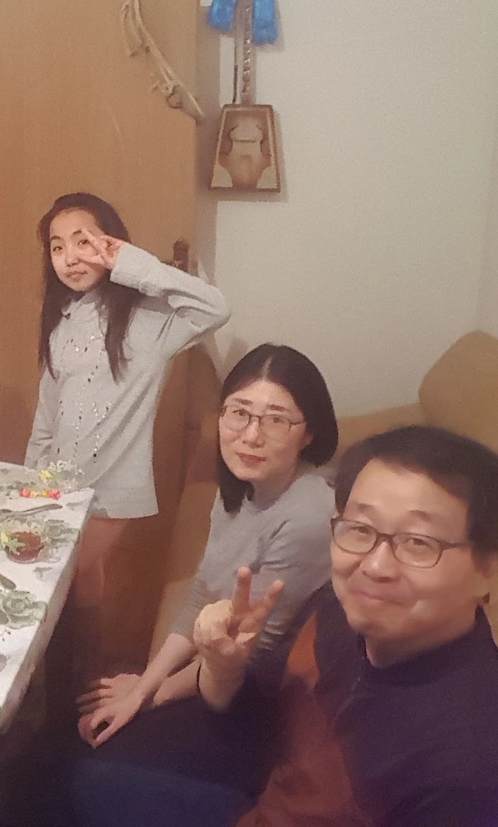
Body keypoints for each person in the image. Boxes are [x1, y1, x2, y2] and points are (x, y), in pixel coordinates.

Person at [197, 425, 498, 826]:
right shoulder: (337, 610)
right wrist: (222, 666)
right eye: (359, 529)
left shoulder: (467, 769)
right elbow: (261, 721)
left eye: (418, 542)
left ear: (487, 570)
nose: (374, 566)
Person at [76, 344, 338, 747]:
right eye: (239, 412)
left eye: (276, 420)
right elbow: (202, 594)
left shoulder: (306, 518)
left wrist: (149, 698)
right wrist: (145, 685)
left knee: (85, 752)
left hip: (256, 698)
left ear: (309, 433)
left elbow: (250, 651)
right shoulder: (243, 485)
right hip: (219, 666)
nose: (251, 435)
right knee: (74, 733)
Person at [26, 192, 230, 688]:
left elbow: (216, 307)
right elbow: (47, 414)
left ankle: (62, 686)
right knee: (81, 578)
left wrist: (130, 264)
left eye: (83, 241)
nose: (70, 258)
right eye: (57, 247)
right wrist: (30, 481)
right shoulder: (62, 320)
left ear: (111, 241)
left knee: (60, 574)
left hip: (112, 484)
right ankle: (81, 679)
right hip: (58, 479)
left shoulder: (150, 320)